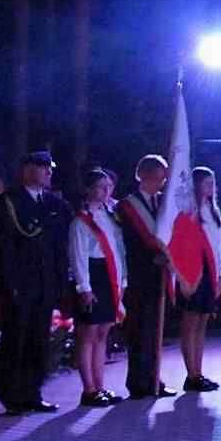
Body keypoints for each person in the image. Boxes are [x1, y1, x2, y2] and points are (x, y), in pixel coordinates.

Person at [0, 150, 72, 415]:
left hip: (45, 282)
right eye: (42, 167)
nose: (48, 172)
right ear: (27, 170)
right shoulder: (10, 202)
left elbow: (60, 247)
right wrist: (9, 282)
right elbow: (4, 247)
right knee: (16, 340)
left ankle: (33, 392)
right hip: (21, 283)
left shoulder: (55, 204)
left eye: (50, 168)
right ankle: (12, 396)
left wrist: (60, 280)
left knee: (38, 340)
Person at [116, 155, 175, 399]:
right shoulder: (126, 206)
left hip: (159, 276)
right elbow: (127, 243)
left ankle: (154, 379)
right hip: (138, 276)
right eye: (158, 178)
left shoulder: (163, 204)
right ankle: (138, 383)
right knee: (138, 330)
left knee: (155, 330)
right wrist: (152, 258)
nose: (162, 183)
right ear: (145, 176)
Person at [67, 167, 127, 406]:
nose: (106, 191)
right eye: (101, 187)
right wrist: (84, 287)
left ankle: (100, 386)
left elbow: (118, 249)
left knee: (103, 333)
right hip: (92, 276)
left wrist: (122, 281)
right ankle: (88, 389)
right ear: (88, 190)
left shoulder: (110, 216)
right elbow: (78, 256)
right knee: (88, 334)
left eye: (108, 186)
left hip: (110, 275)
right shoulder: (81, 221)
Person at [178, 166, 221, 391]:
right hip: (193, 270)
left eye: (213, 183)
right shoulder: (188, 210)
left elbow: (219, 245)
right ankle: (191, 374)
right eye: (207, 183)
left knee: (203, 322)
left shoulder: (213, 210)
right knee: (190, 322)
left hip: (211, 270)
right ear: (195, 185)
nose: (211, 187)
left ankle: (198, 371)